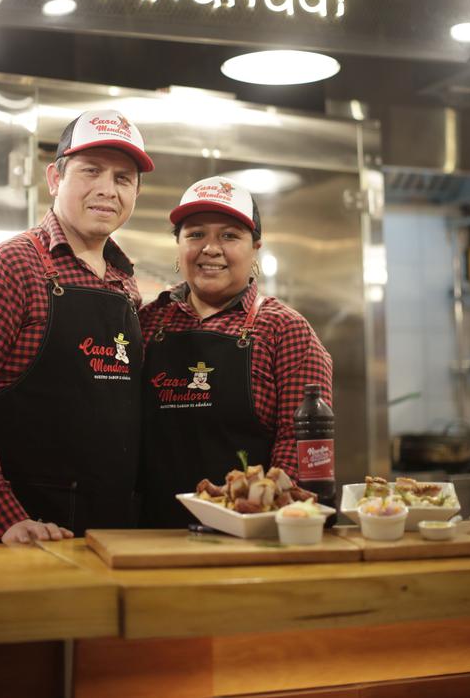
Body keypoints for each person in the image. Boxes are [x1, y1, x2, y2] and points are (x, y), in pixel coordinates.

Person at [0, 109, 154, 545]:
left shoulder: (125, 283)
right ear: (54, 178)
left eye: (123, 178)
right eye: (91, 171)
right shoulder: (9, 266)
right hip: (21, 535)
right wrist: (3, 515)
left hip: (109, 534)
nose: (107, 189)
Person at [139, 175, 332, 528]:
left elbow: (300, 449)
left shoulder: (284, 330)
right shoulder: (146, 323)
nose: (210, 248)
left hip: (253, 533)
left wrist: (260, 512)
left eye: (229, 235)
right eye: (195, 234)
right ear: (178, 245)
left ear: (255, 248)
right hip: (148, 531)